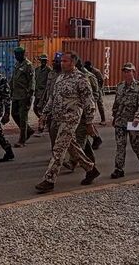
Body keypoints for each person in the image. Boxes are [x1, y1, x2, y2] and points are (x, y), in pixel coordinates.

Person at [35, 52, 100, 194]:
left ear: (73, 63)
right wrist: (44, 114)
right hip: (58, 118)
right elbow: (53, 98)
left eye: (65, 61)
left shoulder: (81, 79)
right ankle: (91, 169)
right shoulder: (60, 78)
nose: (61, 63)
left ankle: (49, 180)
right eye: (61, 61)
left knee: (59, 148)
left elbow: (89, 102)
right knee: (71, 146)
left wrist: (89, 122)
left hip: (71, 119)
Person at [111, 63, 139, 178]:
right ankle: (119, 169)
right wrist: (114, 117)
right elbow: (116, 103)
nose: (127, 74)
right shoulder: (120, 86)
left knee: (136, 146)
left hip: (133, 122)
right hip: (120, 121)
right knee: (120, 146)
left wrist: (138, 117)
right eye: (125, 71)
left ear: (133, 72)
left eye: (129, 71)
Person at [10, 47, 35, 148]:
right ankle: (28, 131)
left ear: (22, 54)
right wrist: (9, 88)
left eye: (17, 55)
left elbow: (32, 80)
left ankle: (22, 140)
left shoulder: (28, 65)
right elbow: (14, 78)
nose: (16, 57)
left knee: (23, 118)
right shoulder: (17, 64)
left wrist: (30, 93)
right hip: (16, 94)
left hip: (24, 95)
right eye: (15, 55)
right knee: (14, 114)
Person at [37, 52, 62, 146]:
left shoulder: (65, 75)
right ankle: (55, 151)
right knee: (52, 131)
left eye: (57, 62)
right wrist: (41, 102)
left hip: (61, 108)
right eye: (54, 61)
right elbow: (47, 89)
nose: (54, 63)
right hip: (50, 104)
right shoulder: (51, 73)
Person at [84, 61, 106, 125]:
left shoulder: (96, 71)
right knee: (92, 105)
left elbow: (101, 80)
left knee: (100, 105)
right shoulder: (87, 71)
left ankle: (103, 119)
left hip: (97, 90)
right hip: (91, 90)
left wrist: (99, 88)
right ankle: (91, 120)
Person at [33, 54, 51, 118]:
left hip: (44, 93)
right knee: (35, 108)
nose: (43, 62)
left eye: (45, 61)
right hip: (37, 92)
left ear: (46, 61)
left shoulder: (49, 70)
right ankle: (41, 119)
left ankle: (43, 122)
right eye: (42, 60)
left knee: (42, 109)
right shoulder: (37, 70)